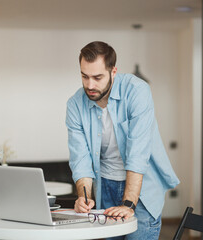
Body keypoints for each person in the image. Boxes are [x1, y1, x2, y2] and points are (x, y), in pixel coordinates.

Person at [66, 41, 179, 240]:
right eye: (84, 76)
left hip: (141, 190)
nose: (90, 85)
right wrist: (84, 197)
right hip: (105, 187)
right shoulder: (75, 104)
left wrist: (128, 203)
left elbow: (138, 152)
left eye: (97, 77)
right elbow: (80, 158)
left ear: (113, 71)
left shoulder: (137, 91)